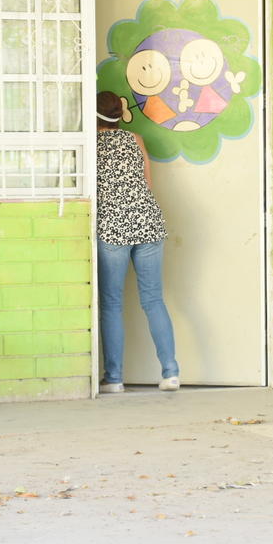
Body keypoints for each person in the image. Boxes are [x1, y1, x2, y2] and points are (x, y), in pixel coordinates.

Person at [94, 91, 180, 393]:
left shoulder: (90, 146)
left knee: (111, 304)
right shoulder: (135, 139)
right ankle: (171, 373)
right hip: (148, 224)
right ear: (119, 114)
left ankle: (114, 378)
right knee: (153, 300)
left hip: (113, 229)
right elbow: (147, 184)